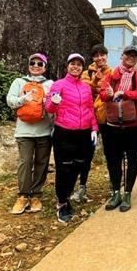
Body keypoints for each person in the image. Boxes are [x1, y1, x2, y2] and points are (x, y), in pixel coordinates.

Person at [45, 53, 97, 223]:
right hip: (64, 132)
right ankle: (61, 203)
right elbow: (49, 108)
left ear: (82, 67)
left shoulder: (86, 87)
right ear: (67, 66)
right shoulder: (58, 85)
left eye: (79, 64)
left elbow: (90, 109)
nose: (76, 67)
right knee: (63, 168)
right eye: (73, 64)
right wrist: (54, 102)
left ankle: (66, 196)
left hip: (83, 133)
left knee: (78, 165)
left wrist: (94, 129)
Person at [5, 53, 54, 214]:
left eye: (40, 64)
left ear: (45, 67)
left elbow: (55, 107)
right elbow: (10, 100)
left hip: (44, 131)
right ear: (28, 65)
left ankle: (36, 195)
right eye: (32, 63)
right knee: (25, 162)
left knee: (42, 163)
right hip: (24, 131)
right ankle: (23, 195)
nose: (36, 66)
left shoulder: (50, 84)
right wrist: (22, 100)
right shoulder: (19, 82)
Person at [99, 45, 137, 212]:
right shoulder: (111, 75)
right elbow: (103, 95)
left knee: (131, 159)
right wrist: (110, 93)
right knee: (114, 159)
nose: (131, 58)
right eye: (128, 54)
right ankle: (116, 192)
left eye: (134, 56)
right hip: (112, 125)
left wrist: (123, 93)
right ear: (122, 55)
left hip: (131, 124)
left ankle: (127, 193)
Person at [75, 44, 111, 203]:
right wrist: (95, 79)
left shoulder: (112, 72)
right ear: (93, 58)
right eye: (96, 55)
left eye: (102, 54)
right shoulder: (85, 73)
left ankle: (113, 185)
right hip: (90, 117)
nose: (100, 58)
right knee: (86, 153)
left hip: (107, 116)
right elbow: (84, 91)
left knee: (111, 152)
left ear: (106, 56)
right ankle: (82, 187)